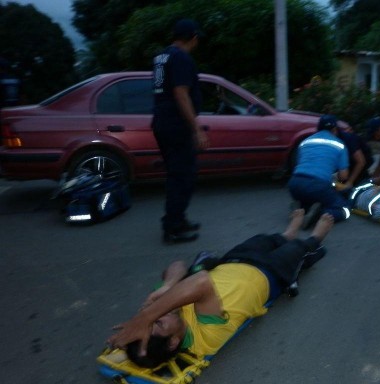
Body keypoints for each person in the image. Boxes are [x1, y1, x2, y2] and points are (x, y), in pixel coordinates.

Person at [106, 210, 334, 367]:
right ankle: (316, 236)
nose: (160, 314)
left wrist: (168, 285)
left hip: (233, 261)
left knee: (265, 239)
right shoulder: (204, 338)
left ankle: (288, 232)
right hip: (270, 275)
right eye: (158, 323)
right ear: (174, 341)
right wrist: (146, 316)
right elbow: (201, 281)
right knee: (301, 248)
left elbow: (177, 265)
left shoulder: (169, 310)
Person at [152, 19, 210, 244]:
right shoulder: (182, 58)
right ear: (193, 38)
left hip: (162, 122)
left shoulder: (161, 57)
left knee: (178, 175)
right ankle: (173, 228)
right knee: (182, 177)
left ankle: (178, 218)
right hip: (176, 125)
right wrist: (197, 129)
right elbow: (181, 93)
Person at [288, 114, 351, 229]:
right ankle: (317, 215)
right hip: (317, 185)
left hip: (294, 184)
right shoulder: (340, 145)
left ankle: (301, 209)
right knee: (344, 209)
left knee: (311, 197)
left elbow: (301, 164)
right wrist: (333, 176)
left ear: (318, 128)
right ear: (335, 129)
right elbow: (344, 176)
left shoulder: (305, 142)